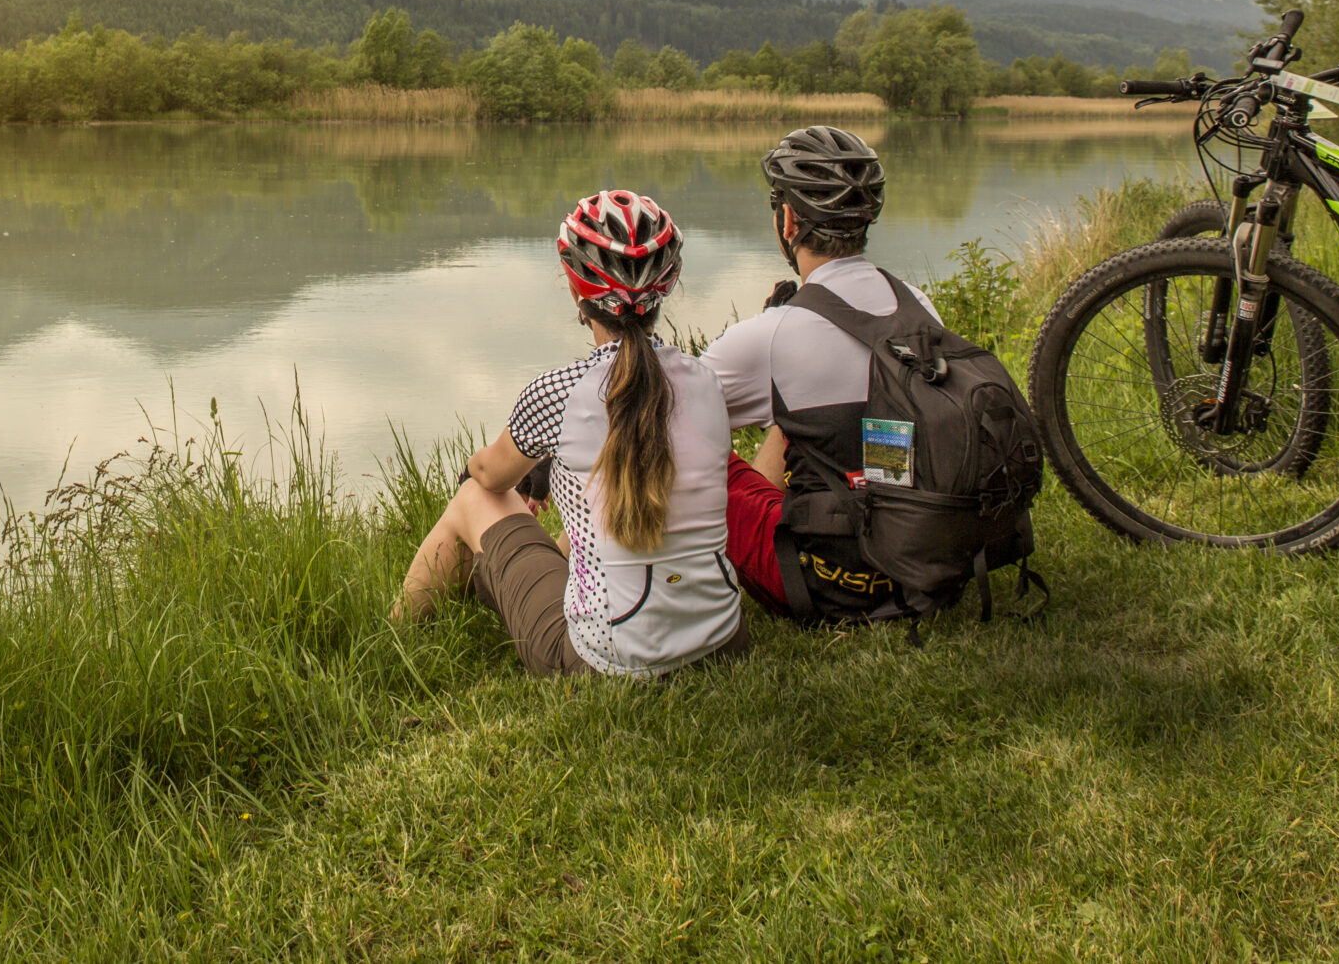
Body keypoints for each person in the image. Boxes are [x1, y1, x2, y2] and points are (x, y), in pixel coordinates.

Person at [391, 189, 751, 678]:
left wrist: (489, 471)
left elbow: (491, 476)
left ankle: (391, 641)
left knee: (474, 498)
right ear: (667, 287)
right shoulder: (707, 383)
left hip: (605, 659)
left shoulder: (559, 392)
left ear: (575, 288)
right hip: (722, 641)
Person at [705, 125, 938, 621]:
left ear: (787, 220)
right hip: (917, 560)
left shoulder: (772, 333)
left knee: (682, 447)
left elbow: (655, 420)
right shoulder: (918, 304)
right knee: (850, 415)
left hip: (826, 585)